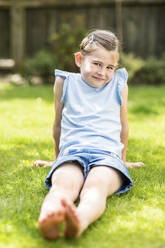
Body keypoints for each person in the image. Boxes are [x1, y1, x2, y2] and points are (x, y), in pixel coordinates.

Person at [37, 29, 144, 240]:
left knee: (96, 187)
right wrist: (58, 159)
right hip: (72, 153)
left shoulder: (119, 85)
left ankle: (80, 220)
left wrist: (122, 161)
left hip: (107, 157)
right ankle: (48, 218)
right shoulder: (64, 83)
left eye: (109, 67)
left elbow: (123, 126)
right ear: (79, 59)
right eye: (96, 64)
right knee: (63, 186)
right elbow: (58, 125)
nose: (102, 72)